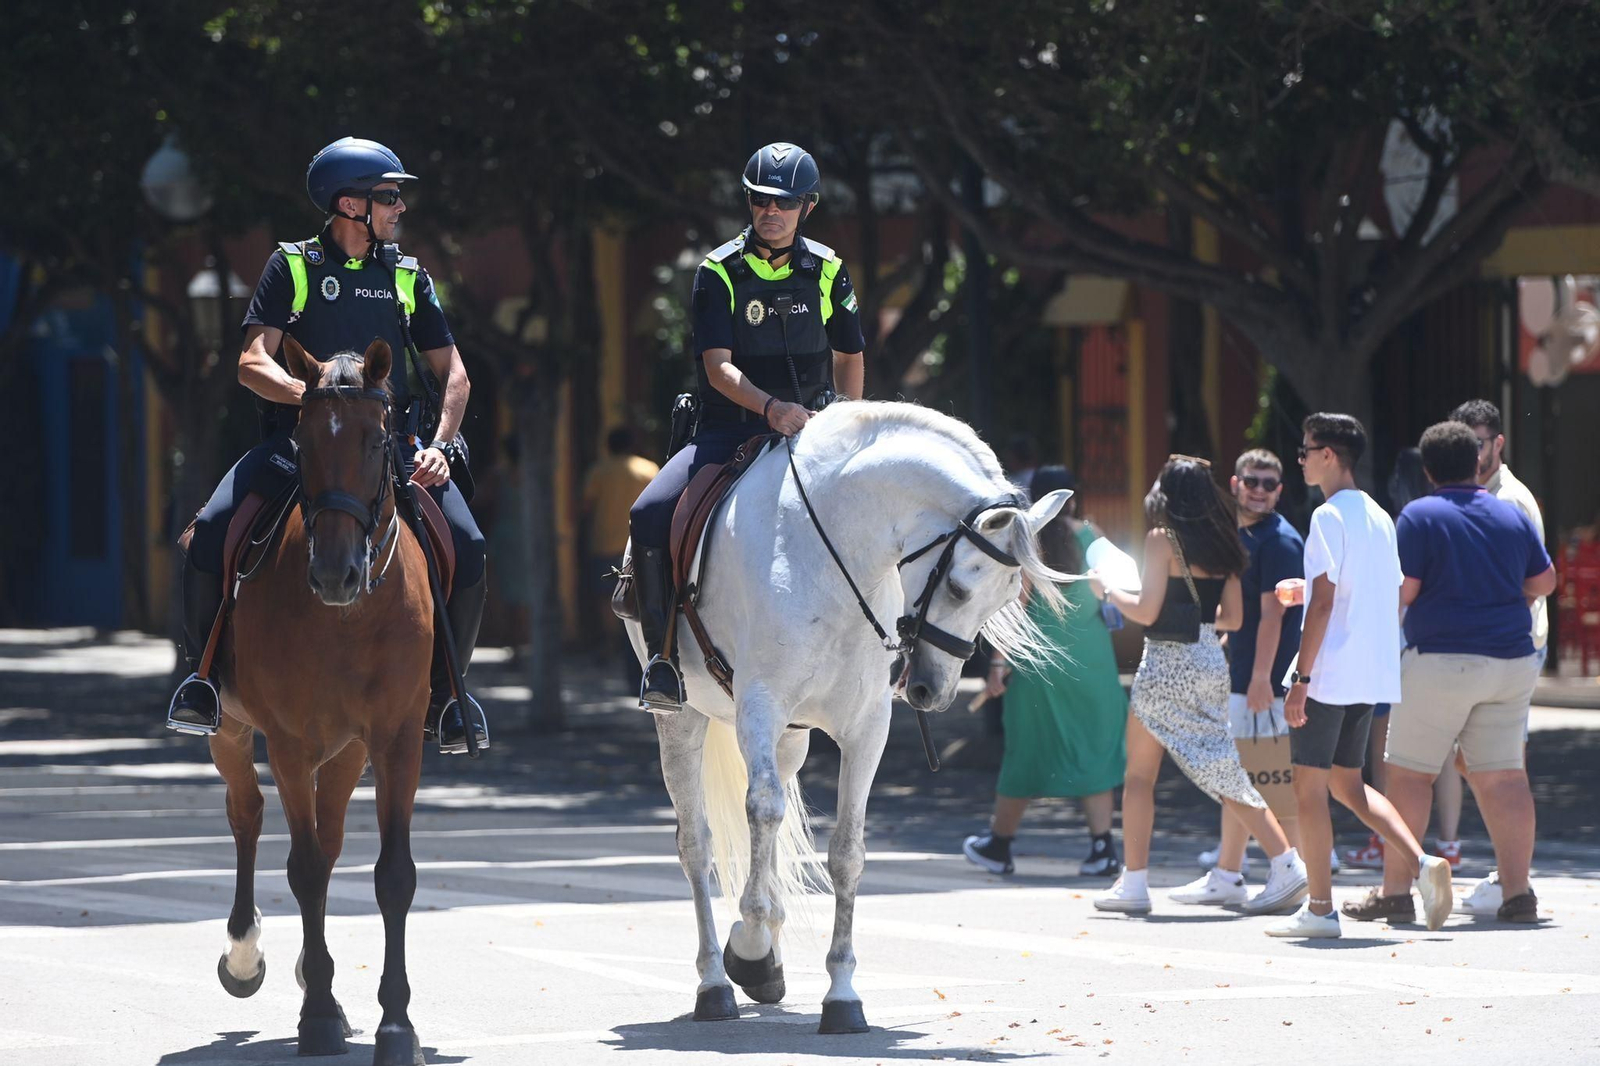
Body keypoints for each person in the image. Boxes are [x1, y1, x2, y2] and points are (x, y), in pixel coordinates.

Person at [166, 137, 489, 754]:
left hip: (391, 454)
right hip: (299, 448)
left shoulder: (407, 274)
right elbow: (250, 361)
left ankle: (450, 696)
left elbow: (455, 374)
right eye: (388, 196)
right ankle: (203, 679)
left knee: (469, 547)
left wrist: (441, 447)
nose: (399, 208)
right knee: (209, 531)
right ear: (350, 205)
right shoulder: (292, 266)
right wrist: (305, 394)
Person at [628, 142, 865, 711]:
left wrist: (849, 422)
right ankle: (663, 661)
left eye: (784, 203)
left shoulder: (828, 268)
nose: (770, 212)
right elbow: (718, 366)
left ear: (806, 207)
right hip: (730, 429)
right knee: (650, 513)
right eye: (760, 200)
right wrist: (771, 410)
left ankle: (893, 650)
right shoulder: (718, 270)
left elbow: (850, 355)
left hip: (815, 432)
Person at [1355, 421, 1556, 925]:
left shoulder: (1420, 515)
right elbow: (1545, 579)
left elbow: (1405, 591)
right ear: (1477, 462)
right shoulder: (1510, 515)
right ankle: (1518, 893)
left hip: (1441, 659)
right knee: (1505, 778)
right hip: (1511, 662)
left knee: (1409, 776)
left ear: (1427, 470)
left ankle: (1396, 891)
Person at [1088, 456, 1308, 917]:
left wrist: (1107, 590)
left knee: (1140, 778)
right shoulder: (1226, 543)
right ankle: (1285, 862)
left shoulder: (1161, 540)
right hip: (1211, 660)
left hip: (1167, 662)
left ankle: (1135, 882)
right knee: (1222, 767)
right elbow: (1233, 618)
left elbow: (1146, 612)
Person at [1271, 414, 1451, 939]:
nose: (1300, 459)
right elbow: (1372, 591)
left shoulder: (1328, 517)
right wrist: (1306, 590)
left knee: (1309, 790)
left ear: (1329, 454)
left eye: (1305, 451)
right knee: (1349, 786)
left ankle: (1321, 909)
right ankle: (1422, 863)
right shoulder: (1379, 515)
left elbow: (1326, 602)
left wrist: (1300, 677)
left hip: (1327, 674)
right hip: (1368, 674)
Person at [962, 467, 1127, 878]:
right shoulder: (1094, 535)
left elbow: (1016, 608)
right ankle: (1103, 848)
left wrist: (997, 664)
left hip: (1040, 664)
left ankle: (999, 846)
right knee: (1095, 752)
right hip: (1094, 663)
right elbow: (1116, 586)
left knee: (1026, 753)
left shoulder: (1028, 541)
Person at [1442, 400, 1551, 906]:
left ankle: (1515, 881)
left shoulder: (1510, 500)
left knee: (1503, 768)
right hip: (1486, 651)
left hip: (1509, 649)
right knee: (1483, 763)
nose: (1472, 453)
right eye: (1464, 443)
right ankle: (1511, 874)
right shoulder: (1472, 491)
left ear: (1498, 444)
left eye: (1479, 443)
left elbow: (1534, 582)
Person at [1185, 449, 1306, 900]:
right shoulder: (1241, 534)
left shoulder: (1280, 541)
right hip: (1245, 677)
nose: (1259, 490)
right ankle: (1228, 874)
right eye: (1251, 481)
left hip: (1268, 684)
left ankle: (1290, 873)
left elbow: (1274, 617)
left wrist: (1261, 678)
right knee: (1238, 779)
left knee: (1273, 781)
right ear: (1234, 484)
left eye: (1269, 484)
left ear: (1280, 490)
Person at [1344, 446, 1430, 870]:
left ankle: (1386, 844)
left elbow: (1395, 595)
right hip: (1427, 652)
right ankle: (1444, 841)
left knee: (1382, 755)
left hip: (1389, 650)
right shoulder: (1436, 522)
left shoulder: (1401, 525)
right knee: (1436, 759)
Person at [583, 428, 659, 653]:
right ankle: (633, 644)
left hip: (604, 542)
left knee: (606, 596)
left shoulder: (599, 470)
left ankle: (611, 642)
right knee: (641, 594)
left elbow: (585, 506)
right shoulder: (648, 469)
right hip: (639, 544)